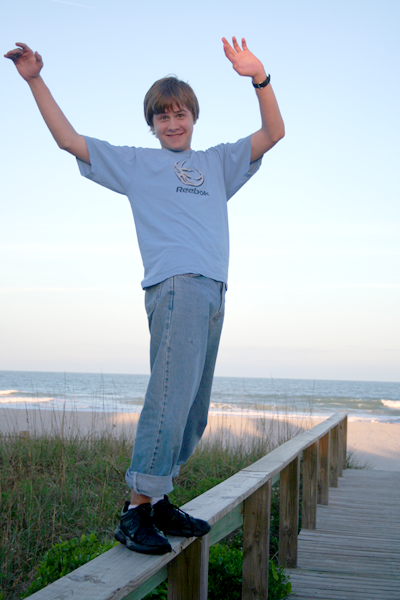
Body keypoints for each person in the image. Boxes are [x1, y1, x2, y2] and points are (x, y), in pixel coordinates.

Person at [5, 37, 284, 555]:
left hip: (214, 289)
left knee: (194, 408)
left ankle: (158, 499)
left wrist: (258, 77)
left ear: (193, 117)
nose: (172, 123)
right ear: (151, 125)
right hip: (175, 287)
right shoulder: (136, 165)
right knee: (170, 397)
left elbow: (274, 132)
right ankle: (135, 510)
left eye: (180, 114)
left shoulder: (218, 163)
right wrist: (34, 79)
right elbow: (69, 139)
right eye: (162, 117)